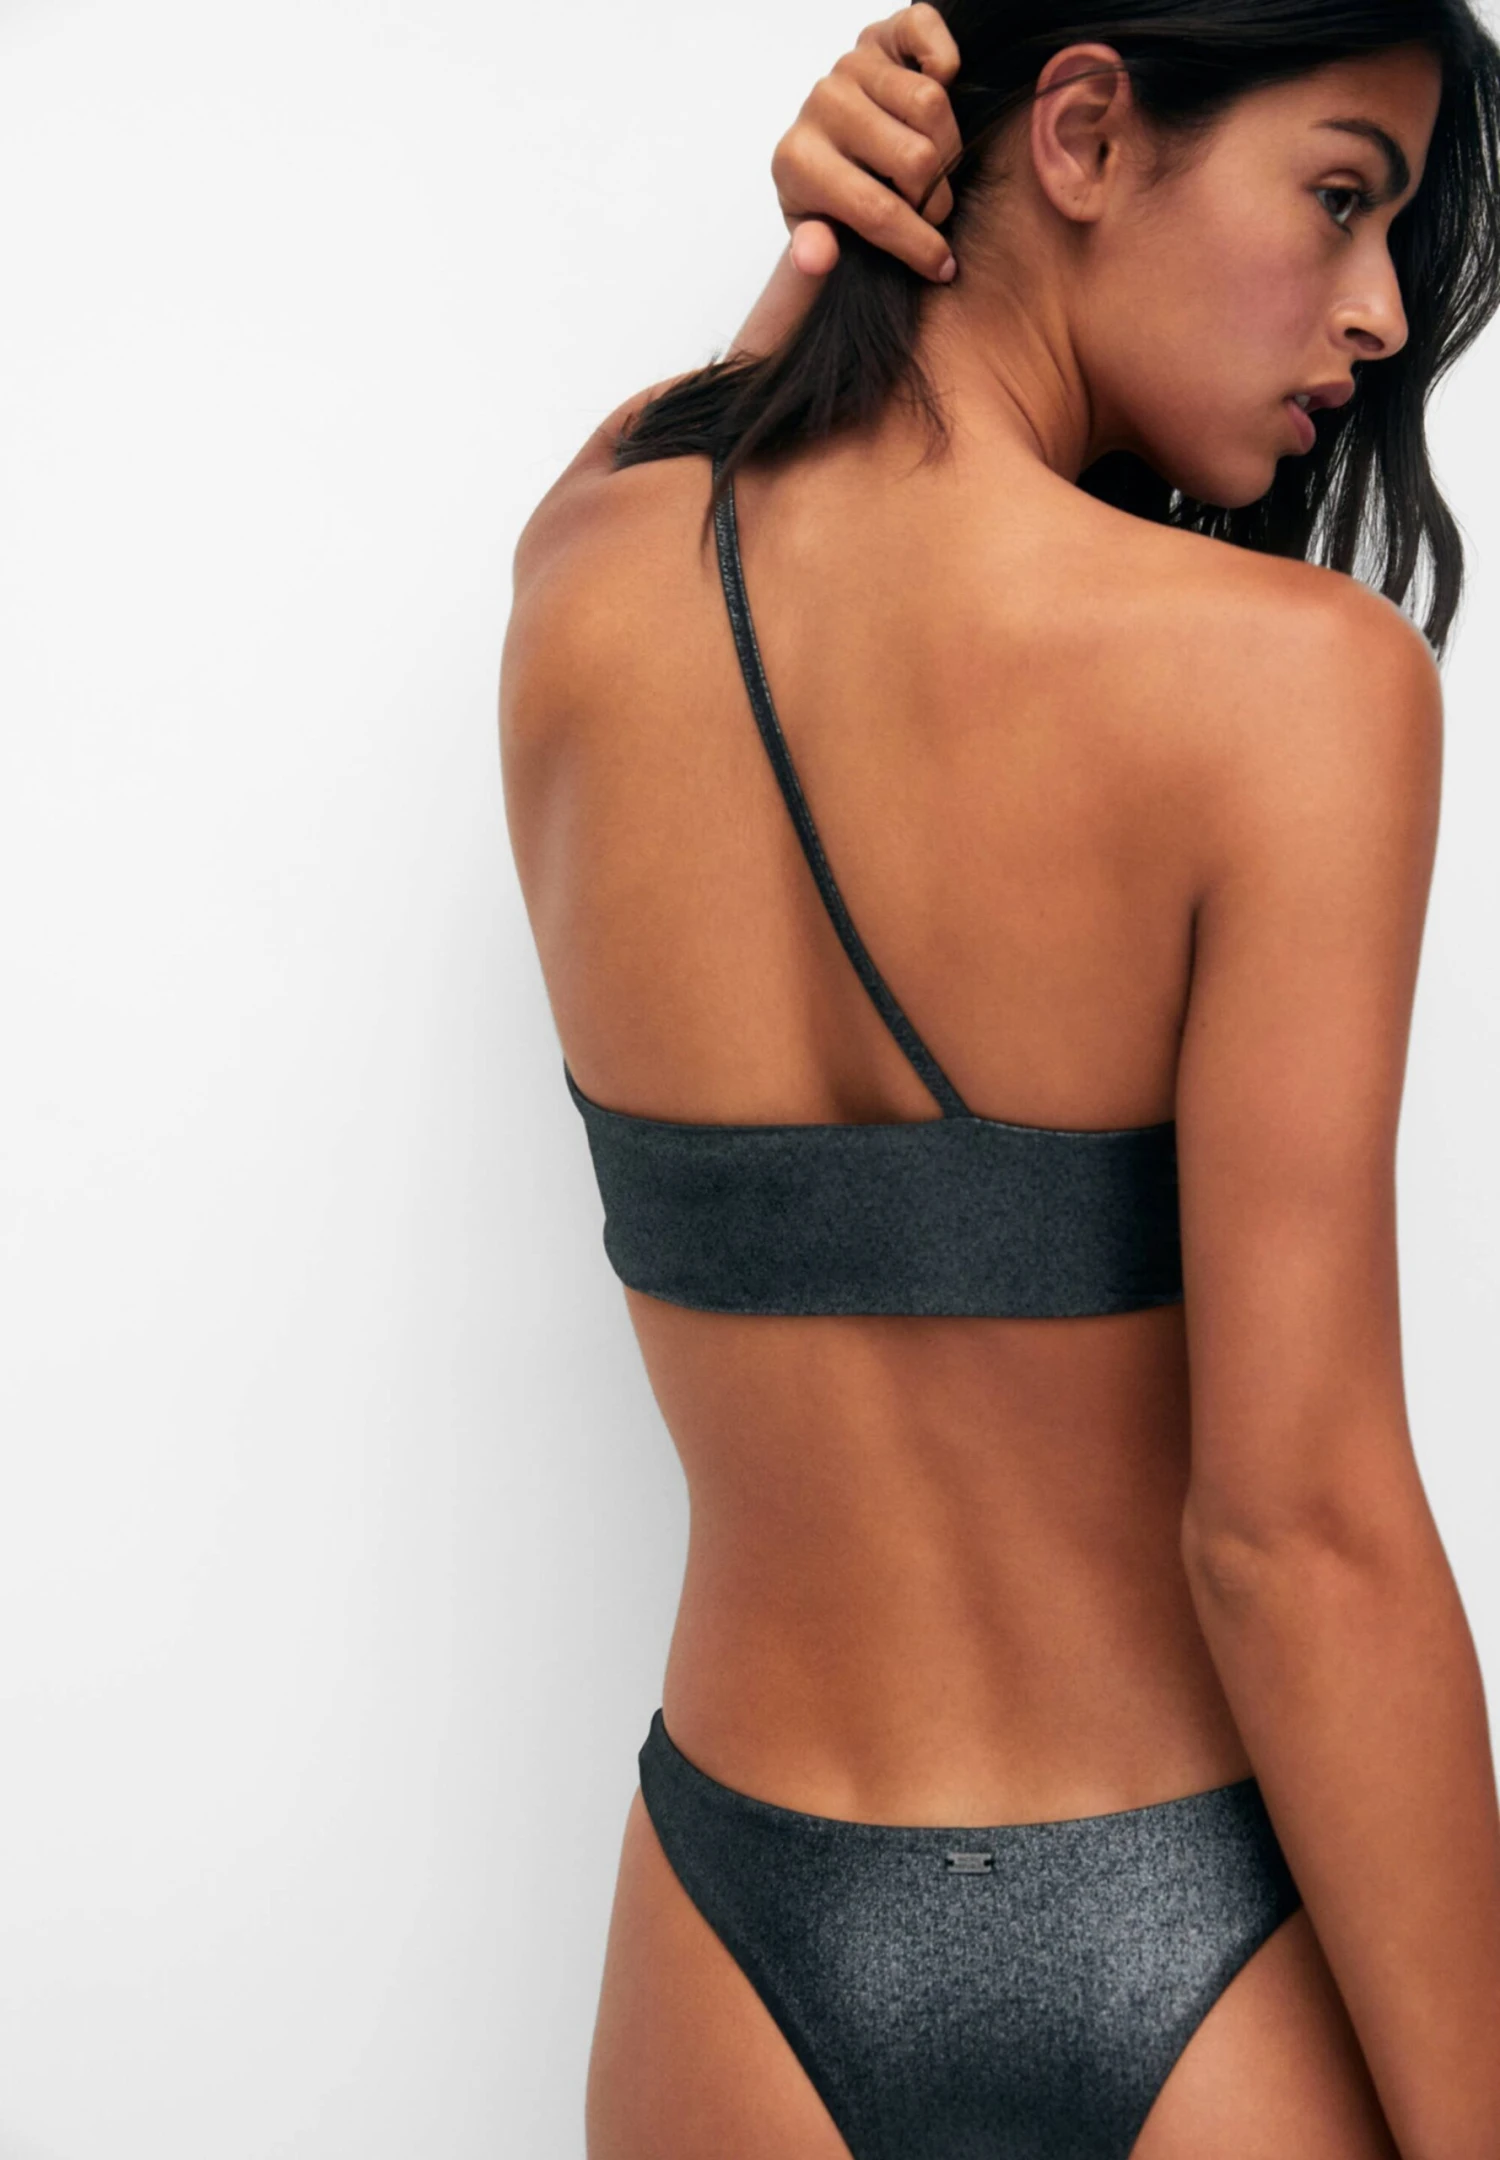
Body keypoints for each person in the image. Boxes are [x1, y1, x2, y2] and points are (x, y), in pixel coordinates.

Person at [500, 3, 1500, 2153]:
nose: (1380, 311)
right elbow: (1296, 1535)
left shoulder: (580, 575)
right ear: (1084, 129)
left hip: (732, 1936)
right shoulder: (1297, 693)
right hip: (1195, 1933)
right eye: (1343, 196)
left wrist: (830, 255)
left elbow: (717, 453)